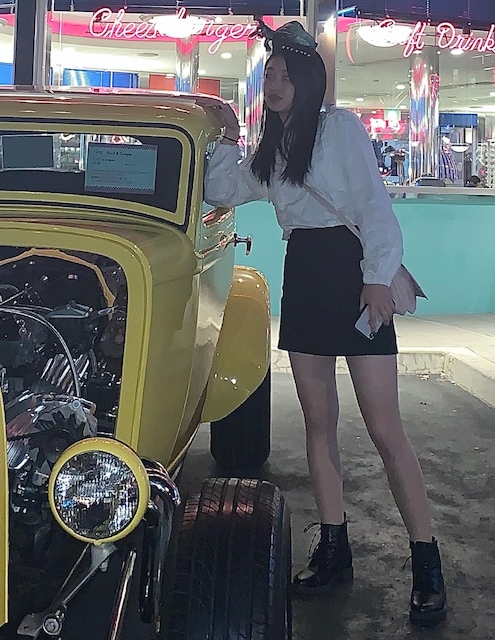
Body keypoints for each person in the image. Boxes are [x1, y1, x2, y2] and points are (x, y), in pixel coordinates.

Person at [199, 19, 446, 628]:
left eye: (284, 74)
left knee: (385, 428)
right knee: (319, 422)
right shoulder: (272, 145)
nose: (274, 83)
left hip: (354, 272)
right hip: (306, 273)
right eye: (269, 74)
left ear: (309, 78)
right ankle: (334, 547)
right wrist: (224, 134)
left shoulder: (341, 129)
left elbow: (374, 208)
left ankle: (427, 561)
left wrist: (377, 277)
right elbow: (221, 189)